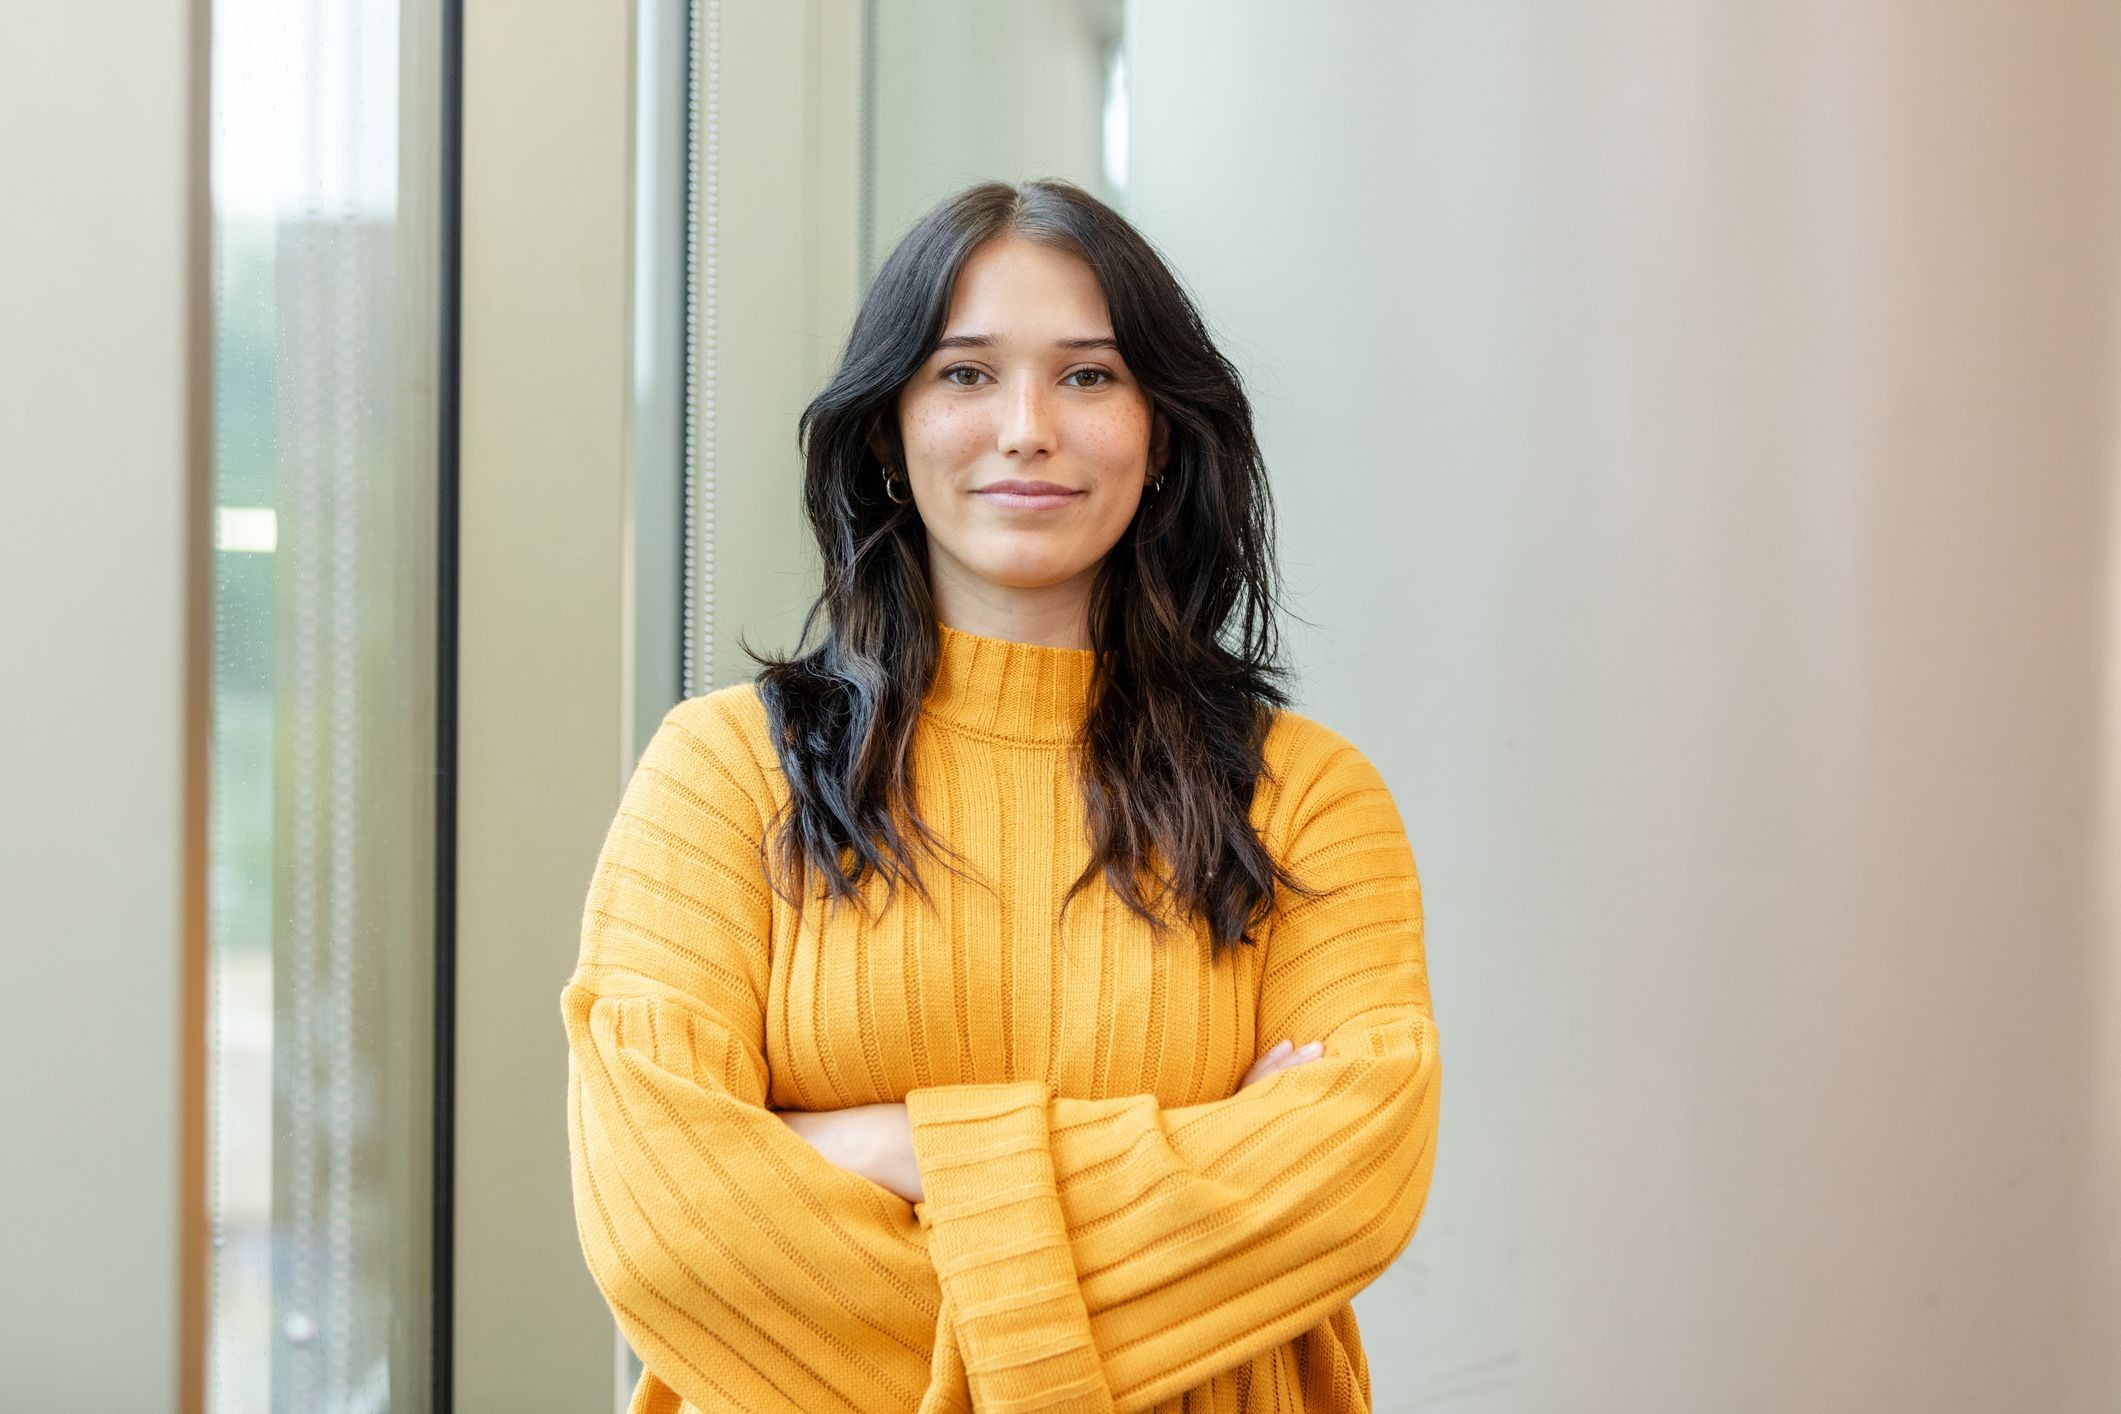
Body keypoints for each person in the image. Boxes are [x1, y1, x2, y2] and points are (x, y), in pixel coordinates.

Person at [560, 177, 1439, 1414]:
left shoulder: (1306, 797)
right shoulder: (721, 775)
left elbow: (1348, 1174)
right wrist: (1184, 1176)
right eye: (967, 374)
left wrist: (884, 1147)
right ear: (886, 428)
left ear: (1162, 431)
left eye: (1089, 376)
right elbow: (665, 1222)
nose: (1028, 426)